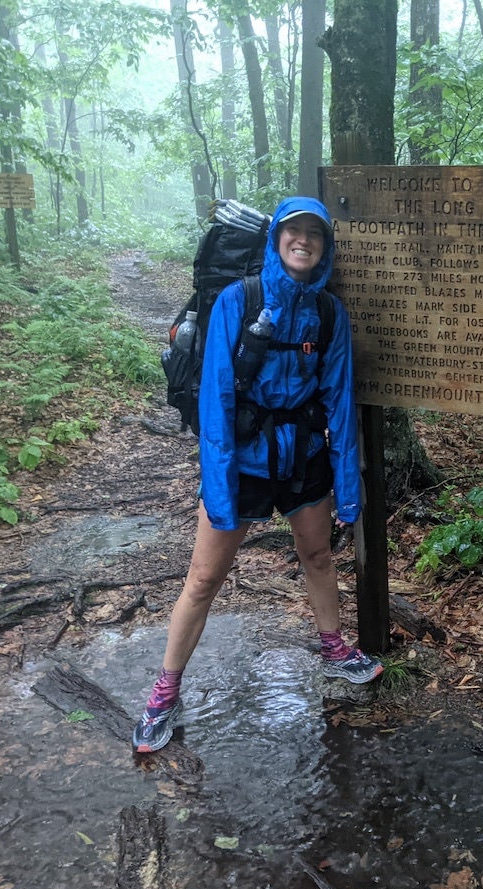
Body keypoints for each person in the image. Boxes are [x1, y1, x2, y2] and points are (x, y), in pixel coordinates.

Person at [132, 196, 383, 754]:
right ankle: (164, 693)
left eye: (314, 235)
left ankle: (334, 648)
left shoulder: (328, 313)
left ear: (325, 247)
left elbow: (339, 400)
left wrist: (347, 486)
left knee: (318, 557)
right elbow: (217, 397)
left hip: (302, 458)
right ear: (276, 240)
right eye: (294, 232)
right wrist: (217, 487)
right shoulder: (236, 301)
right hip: (242, 459)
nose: (304, 242)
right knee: (202, 580)